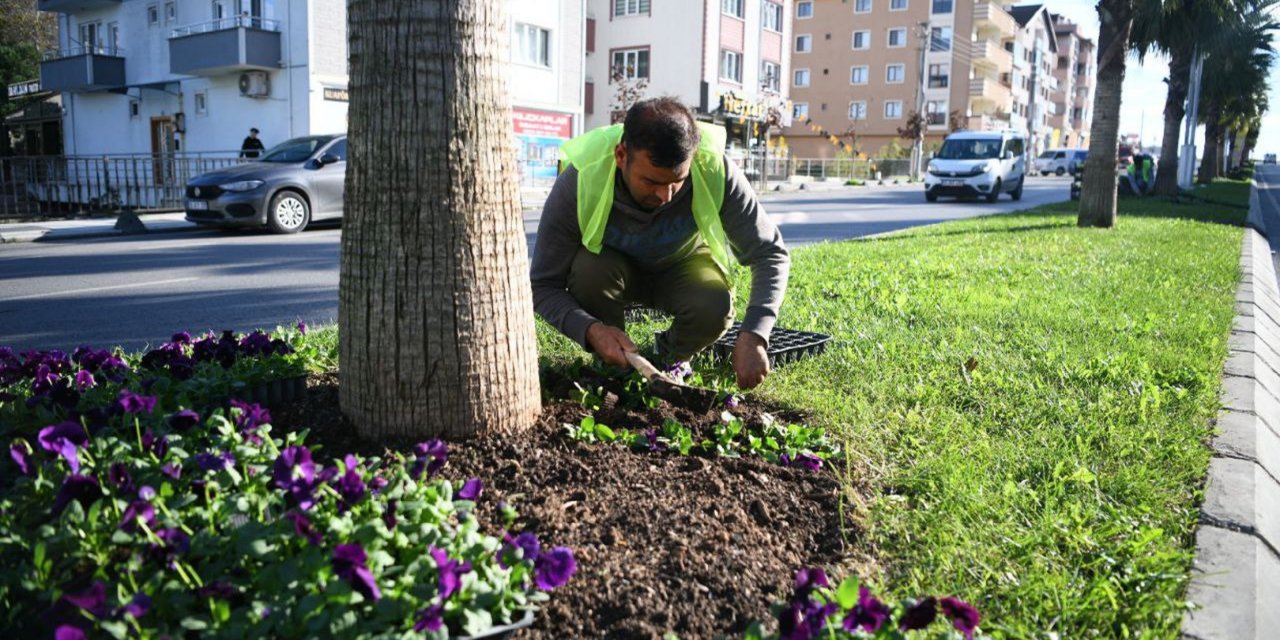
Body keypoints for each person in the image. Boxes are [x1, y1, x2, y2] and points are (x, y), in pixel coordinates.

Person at [530, 97, 790, 390]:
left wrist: (755, 334)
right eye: (651, 182)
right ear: (621, 155)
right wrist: (591, 330)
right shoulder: (582, 178)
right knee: (590, 272)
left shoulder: (713, 168)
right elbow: (543, 284)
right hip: (609, 270)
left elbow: (770, 253)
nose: (665, 196)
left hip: (681, 266)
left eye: (676, 182)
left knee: (714, 304)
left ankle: (668, 362)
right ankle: (615, 363)